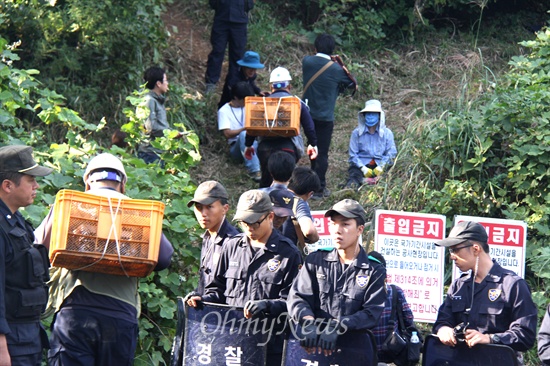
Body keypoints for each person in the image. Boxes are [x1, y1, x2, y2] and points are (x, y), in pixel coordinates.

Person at [35, 153, 174, 365]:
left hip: (75, 313)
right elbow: (164, 258)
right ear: (122, 184)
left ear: (88, 183)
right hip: (119, 316)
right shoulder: (139, 213)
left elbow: (37, 249)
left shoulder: (70, 206)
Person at [186, 189, 302, 366]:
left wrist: (267, 305)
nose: (249, 228)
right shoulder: (232, 247)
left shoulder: (288, 253)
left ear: (270, 217)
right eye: (243, 223)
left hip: (268, 348)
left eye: (254, 223)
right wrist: (201, 299)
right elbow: (217, 289)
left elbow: (295, 303)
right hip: (231, 342)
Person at [287, 199, 387, 355]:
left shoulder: (374, 270)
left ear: (360, 229)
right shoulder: (315, 260)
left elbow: (371, 313)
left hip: (352, 351)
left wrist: (339, 325)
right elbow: (298, 297)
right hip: (312, 349)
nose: (337, 230)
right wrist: (307, 320)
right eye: (333, 224)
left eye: (345, 225)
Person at [433, 221, 537, 359]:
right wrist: (443, 329)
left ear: (476, 249)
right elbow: (443, 321)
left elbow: (526, 335)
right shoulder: (459, 286)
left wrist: (490, 338)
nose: (452, 256)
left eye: (455, 250)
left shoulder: (512, 285)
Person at [0, 145, 52, 366]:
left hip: (27, 338)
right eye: (31, 180)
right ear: (8, 185)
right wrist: (1, 348)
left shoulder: (16, 220)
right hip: (10, 343)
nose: (36, 186)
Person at [302, 34, 356, 199]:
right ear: (333, 50)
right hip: (325, 117)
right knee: (322, 153)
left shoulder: (307, 62)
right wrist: (339, 64)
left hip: (307, 115)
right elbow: (352, 84)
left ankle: (311, 184)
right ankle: (319, 188)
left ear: (315, 48)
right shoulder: (335, 69)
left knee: (312, 146)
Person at [244, 67, 319, 188]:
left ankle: (263, 203)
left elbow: (252, 127)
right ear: (289, 87)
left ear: (271, 87)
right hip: (288, 148)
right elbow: (309, 126)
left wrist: (248, 145)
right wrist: (312, 144)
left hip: (265, 149)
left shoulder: (261, 103)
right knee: (287, 181)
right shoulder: (296, 103)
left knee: (266, 179)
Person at [186, 180, 239, 295]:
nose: (203, 213)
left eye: (209, 207)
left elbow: (231, 292)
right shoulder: (208, 237)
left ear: (225, 208)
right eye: (199, 207)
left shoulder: (234, 242)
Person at [368, 251, 415, 365]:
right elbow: (408, 319)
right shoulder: (395, 291)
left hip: (366, 353)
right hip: (391, 355)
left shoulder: (357, 294)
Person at [204, 0, 254, 93]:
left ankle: (233, 86)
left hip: (240, 21)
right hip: (221, 18)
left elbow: (250, 3)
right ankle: (211, 83)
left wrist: (245, 6)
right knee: (217, 52)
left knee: (237, 55)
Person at [345, 99, 397, 188]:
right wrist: (363, 168)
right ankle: (356, 185)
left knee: (391, 175)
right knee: (354, 176)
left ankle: (376, 181)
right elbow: (353, 155)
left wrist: (381, 166)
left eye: (373, 114)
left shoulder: (387, 133)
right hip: (362, 165)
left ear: (379, 116)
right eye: (368, 114)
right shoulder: (356, 133)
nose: (370, 117)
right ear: (364, 116)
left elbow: (391, 153)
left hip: (380, 164)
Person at [218, 81, 261, 182]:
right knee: (244, 135)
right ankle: (255, 170)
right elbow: (227, 134)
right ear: (236, 98)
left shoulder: (250, 105)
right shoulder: (224, 111)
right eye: (245, 100)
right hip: (236, 147)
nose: (247, 103)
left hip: (254, 142)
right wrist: (245, 129)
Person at [137, 66, 182, 165]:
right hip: (150, 152)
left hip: (157, 151)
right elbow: (151, 127)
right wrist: (171, 133)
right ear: (158, 83)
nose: (167, 83)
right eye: (165, 80)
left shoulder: (156, 101)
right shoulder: (149, 100)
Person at [281, 167, 320, 248]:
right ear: (310, 194)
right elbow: (309, 231)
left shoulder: (270, 194)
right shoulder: (299, 203)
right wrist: (315, 238)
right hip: (284, 254)